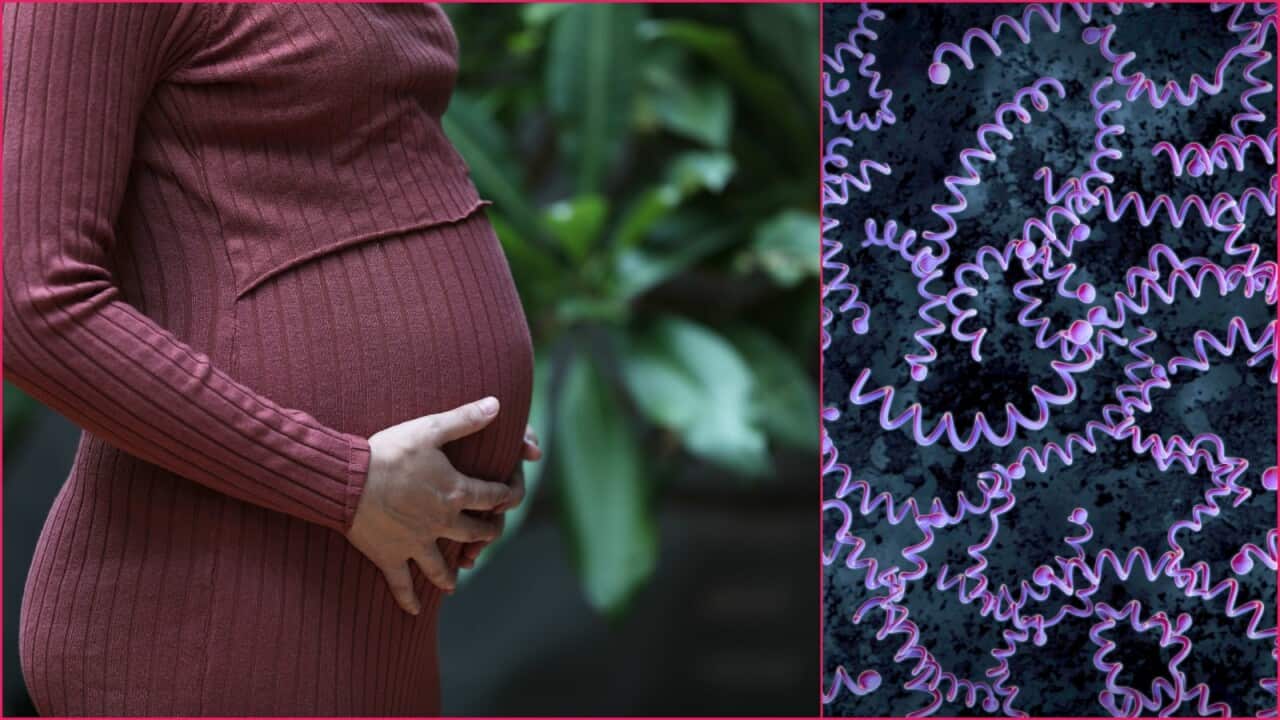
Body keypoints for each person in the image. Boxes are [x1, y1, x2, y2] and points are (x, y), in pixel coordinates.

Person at [3, 2, 537, 715]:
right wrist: (343, 481)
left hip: (360, 606)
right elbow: (28, 308)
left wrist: (469, 442)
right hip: (213, 607)